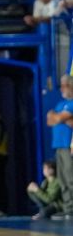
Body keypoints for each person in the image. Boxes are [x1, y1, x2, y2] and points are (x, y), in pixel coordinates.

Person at [46, 75, 73, 220]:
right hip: (58, 145)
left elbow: (57, 118)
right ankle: (68, 208)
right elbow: (50, 121)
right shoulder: (60, 104)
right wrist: (59, 118)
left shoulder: (71, 103)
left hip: (68, 145)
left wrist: (58, 118)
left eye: (64, 86)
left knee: (70, 177)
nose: (61, 89)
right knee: (62, 179)